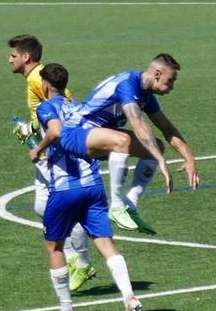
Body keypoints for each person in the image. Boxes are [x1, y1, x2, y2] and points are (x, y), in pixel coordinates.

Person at [26, 64, 145, 311]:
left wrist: (38, 149)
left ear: (45, 85)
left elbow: (55, 132)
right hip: (93, 187)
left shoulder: (47, 107)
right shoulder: (81, 108)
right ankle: (129, 297)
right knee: (106, 245)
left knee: (54, 248)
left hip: (65, 190)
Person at [58, 55, 200, 231]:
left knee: (157, 146)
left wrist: (189, 158)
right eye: (170, 81)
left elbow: (167, 128)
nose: (172, 87)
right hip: (74, 133)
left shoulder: (145, 95)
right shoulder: (127, 84)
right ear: (157, 74)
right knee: (124, 141)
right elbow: (136, 122)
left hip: (99, 136)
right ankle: (116, 207)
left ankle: (130, 205)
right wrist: (161, 161)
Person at [7, 34, 94, 291]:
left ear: (26, 57)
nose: (9, 59)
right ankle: (75, 259)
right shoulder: (33, 79)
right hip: (47, 145)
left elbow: (66, 104)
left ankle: (81, 261)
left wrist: (45, 137)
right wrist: (31, 129)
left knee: (58, 205)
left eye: (13, 55)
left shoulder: (38, 77)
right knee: (42, 206)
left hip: (55, 149)